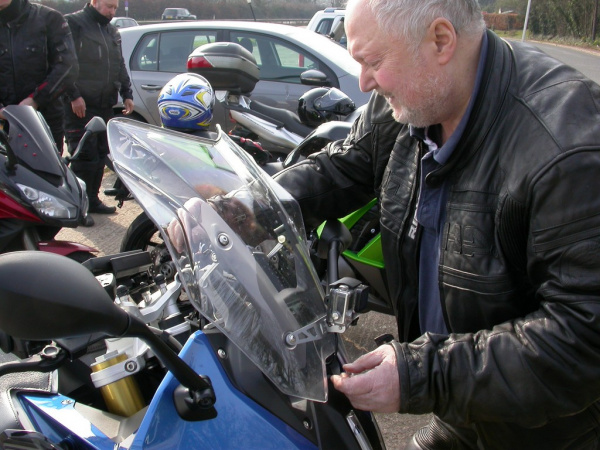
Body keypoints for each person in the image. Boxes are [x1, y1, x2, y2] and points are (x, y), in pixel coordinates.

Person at [272, 0, 600, 448]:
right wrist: (245, 207)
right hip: (463, 412)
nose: (365, 82)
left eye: (374, 62)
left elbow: (582, 339)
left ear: (441, 41)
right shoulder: (413, 103)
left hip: (550, 432)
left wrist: (421, 374)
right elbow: (341, 168)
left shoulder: (566, 148)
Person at [64, 0, 134, 225]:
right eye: (108, 6)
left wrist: (127, 92)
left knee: (100, 154)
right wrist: (73, 95)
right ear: (94, 2)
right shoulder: (74, 24)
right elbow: (64, 63)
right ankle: (78, 205)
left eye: (115, 7)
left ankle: (92, 200)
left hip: (104, 103)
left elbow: (119, 64)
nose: (112, 12)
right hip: (81, 104)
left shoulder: (112, 31)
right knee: (84, 155)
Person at [0, 0, 77, 153]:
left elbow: (68, 66)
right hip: (5, 121)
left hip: (44, 119)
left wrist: (35, 99)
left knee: (46, 174)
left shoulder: (49, 19)